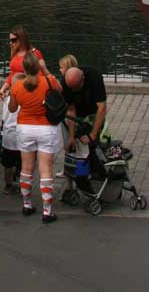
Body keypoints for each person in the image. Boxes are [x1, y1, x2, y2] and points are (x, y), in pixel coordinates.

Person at [9, 52, 62, 223]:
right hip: (47, 128)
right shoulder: (49, 81)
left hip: (25, 128)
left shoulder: (17, 86)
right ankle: (47, 211)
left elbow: (11, 108)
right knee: (46, 168)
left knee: (26, 168)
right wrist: (46, 72)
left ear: (24, 68)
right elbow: (60, 92)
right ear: (38, 66)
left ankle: (27, 204)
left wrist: (13, 89)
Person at [60, 64, 108, 205]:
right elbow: (71, 110)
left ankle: (96, 178)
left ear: (83, 79)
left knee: (92, 147)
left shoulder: (94, 76)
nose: (74, 91)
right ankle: (79, 183)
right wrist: (71, 137)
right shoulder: (65, 83)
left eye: (76, 88)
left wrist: (93, 134)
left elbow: (102, 108)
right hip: (76, 115)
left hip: (93, 113)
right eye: (71, 88)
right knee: (76, 150)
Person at [0, 26, 47, 98]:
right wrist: (3, 89)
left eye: (13, 40)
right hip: (14, 92)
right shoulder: (15, 53)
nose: (11, 43)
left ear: (21, 39)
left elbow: (39, 75)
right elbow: (13, 73)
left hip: (28, 93)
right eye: (10, 40)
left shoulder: (35, 53)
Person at [0, 74, 22, 194]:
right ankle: (20, 183)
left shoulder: (7, 100)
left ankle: (7, 185)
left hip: (8, 136)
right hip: (21, 136)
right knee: (22, 163)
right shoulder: (25, 100)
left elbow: (4, 118)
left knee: (7, 164)